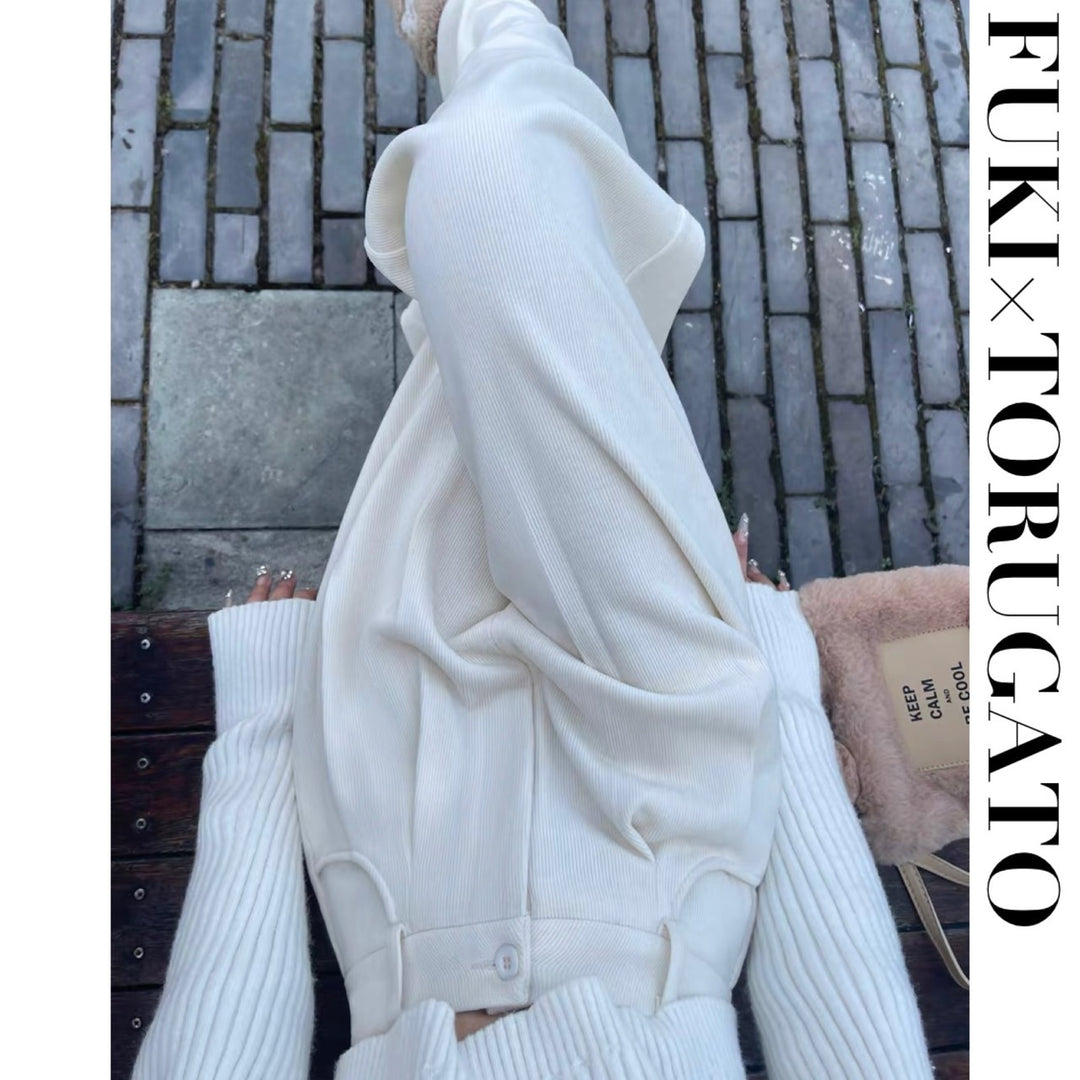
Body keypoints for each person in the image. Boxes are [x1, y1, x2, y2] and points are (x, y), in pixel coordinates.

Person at [130, 1, 935, 1076]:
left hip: (394, 811)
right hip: (662, 781)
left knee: (472, 343)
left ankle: (590, 253)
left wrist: (265, 730)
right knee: (488, 168)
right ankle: (481, 23)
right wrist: (777, 677)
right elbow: (855, 1036)